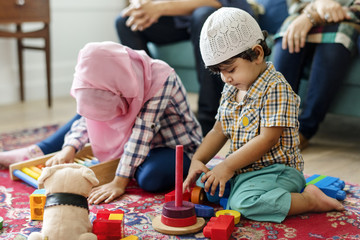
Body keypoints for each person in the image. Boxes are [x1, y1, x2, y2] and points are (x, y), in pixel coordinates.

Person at [182, 8, 344, 223]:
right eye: (219, 72)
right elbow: (218, 130)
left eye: (230, 69)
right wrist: (198, 159)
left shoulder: (275, 88)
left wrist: (227, 166)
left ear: (257, 53)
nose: (225, 78)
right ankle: (239, 189)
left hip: (278, 172)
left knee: (244, 203)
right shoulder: (231, 89)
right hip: (244, 169)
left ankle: (309, 199)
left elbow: (268, 139)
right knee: (207, 183)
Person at [1, 41, 203, 205]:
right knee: (88, 114)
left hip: (174, 147)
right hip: (137, 143)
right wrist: (70, 148)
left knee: (150, 179)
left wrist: (119, 181)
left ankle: (133, 165)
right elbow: (89, 118)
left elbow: (142, 134)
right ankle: (40, 150)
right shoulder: (99, 78)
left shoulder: (161, 79)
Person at [115, 0, 254, 135]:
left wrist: (160, 7)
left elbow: (216, 2)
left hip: (217, 14)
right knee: (125, 21)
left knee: (203, 14)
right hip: (179, 18)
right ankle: (154, 111)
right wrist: (141, 6)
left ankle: (208, 119)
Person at [272, 0, 360, 150]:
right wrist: (316, 8)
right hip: (301, 17)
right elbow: (294, 5)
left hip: (345, 20)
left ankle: (304, 129)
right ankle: (274, 126)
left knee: (334, 48)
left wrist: (313, 16)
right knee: (286, 43)